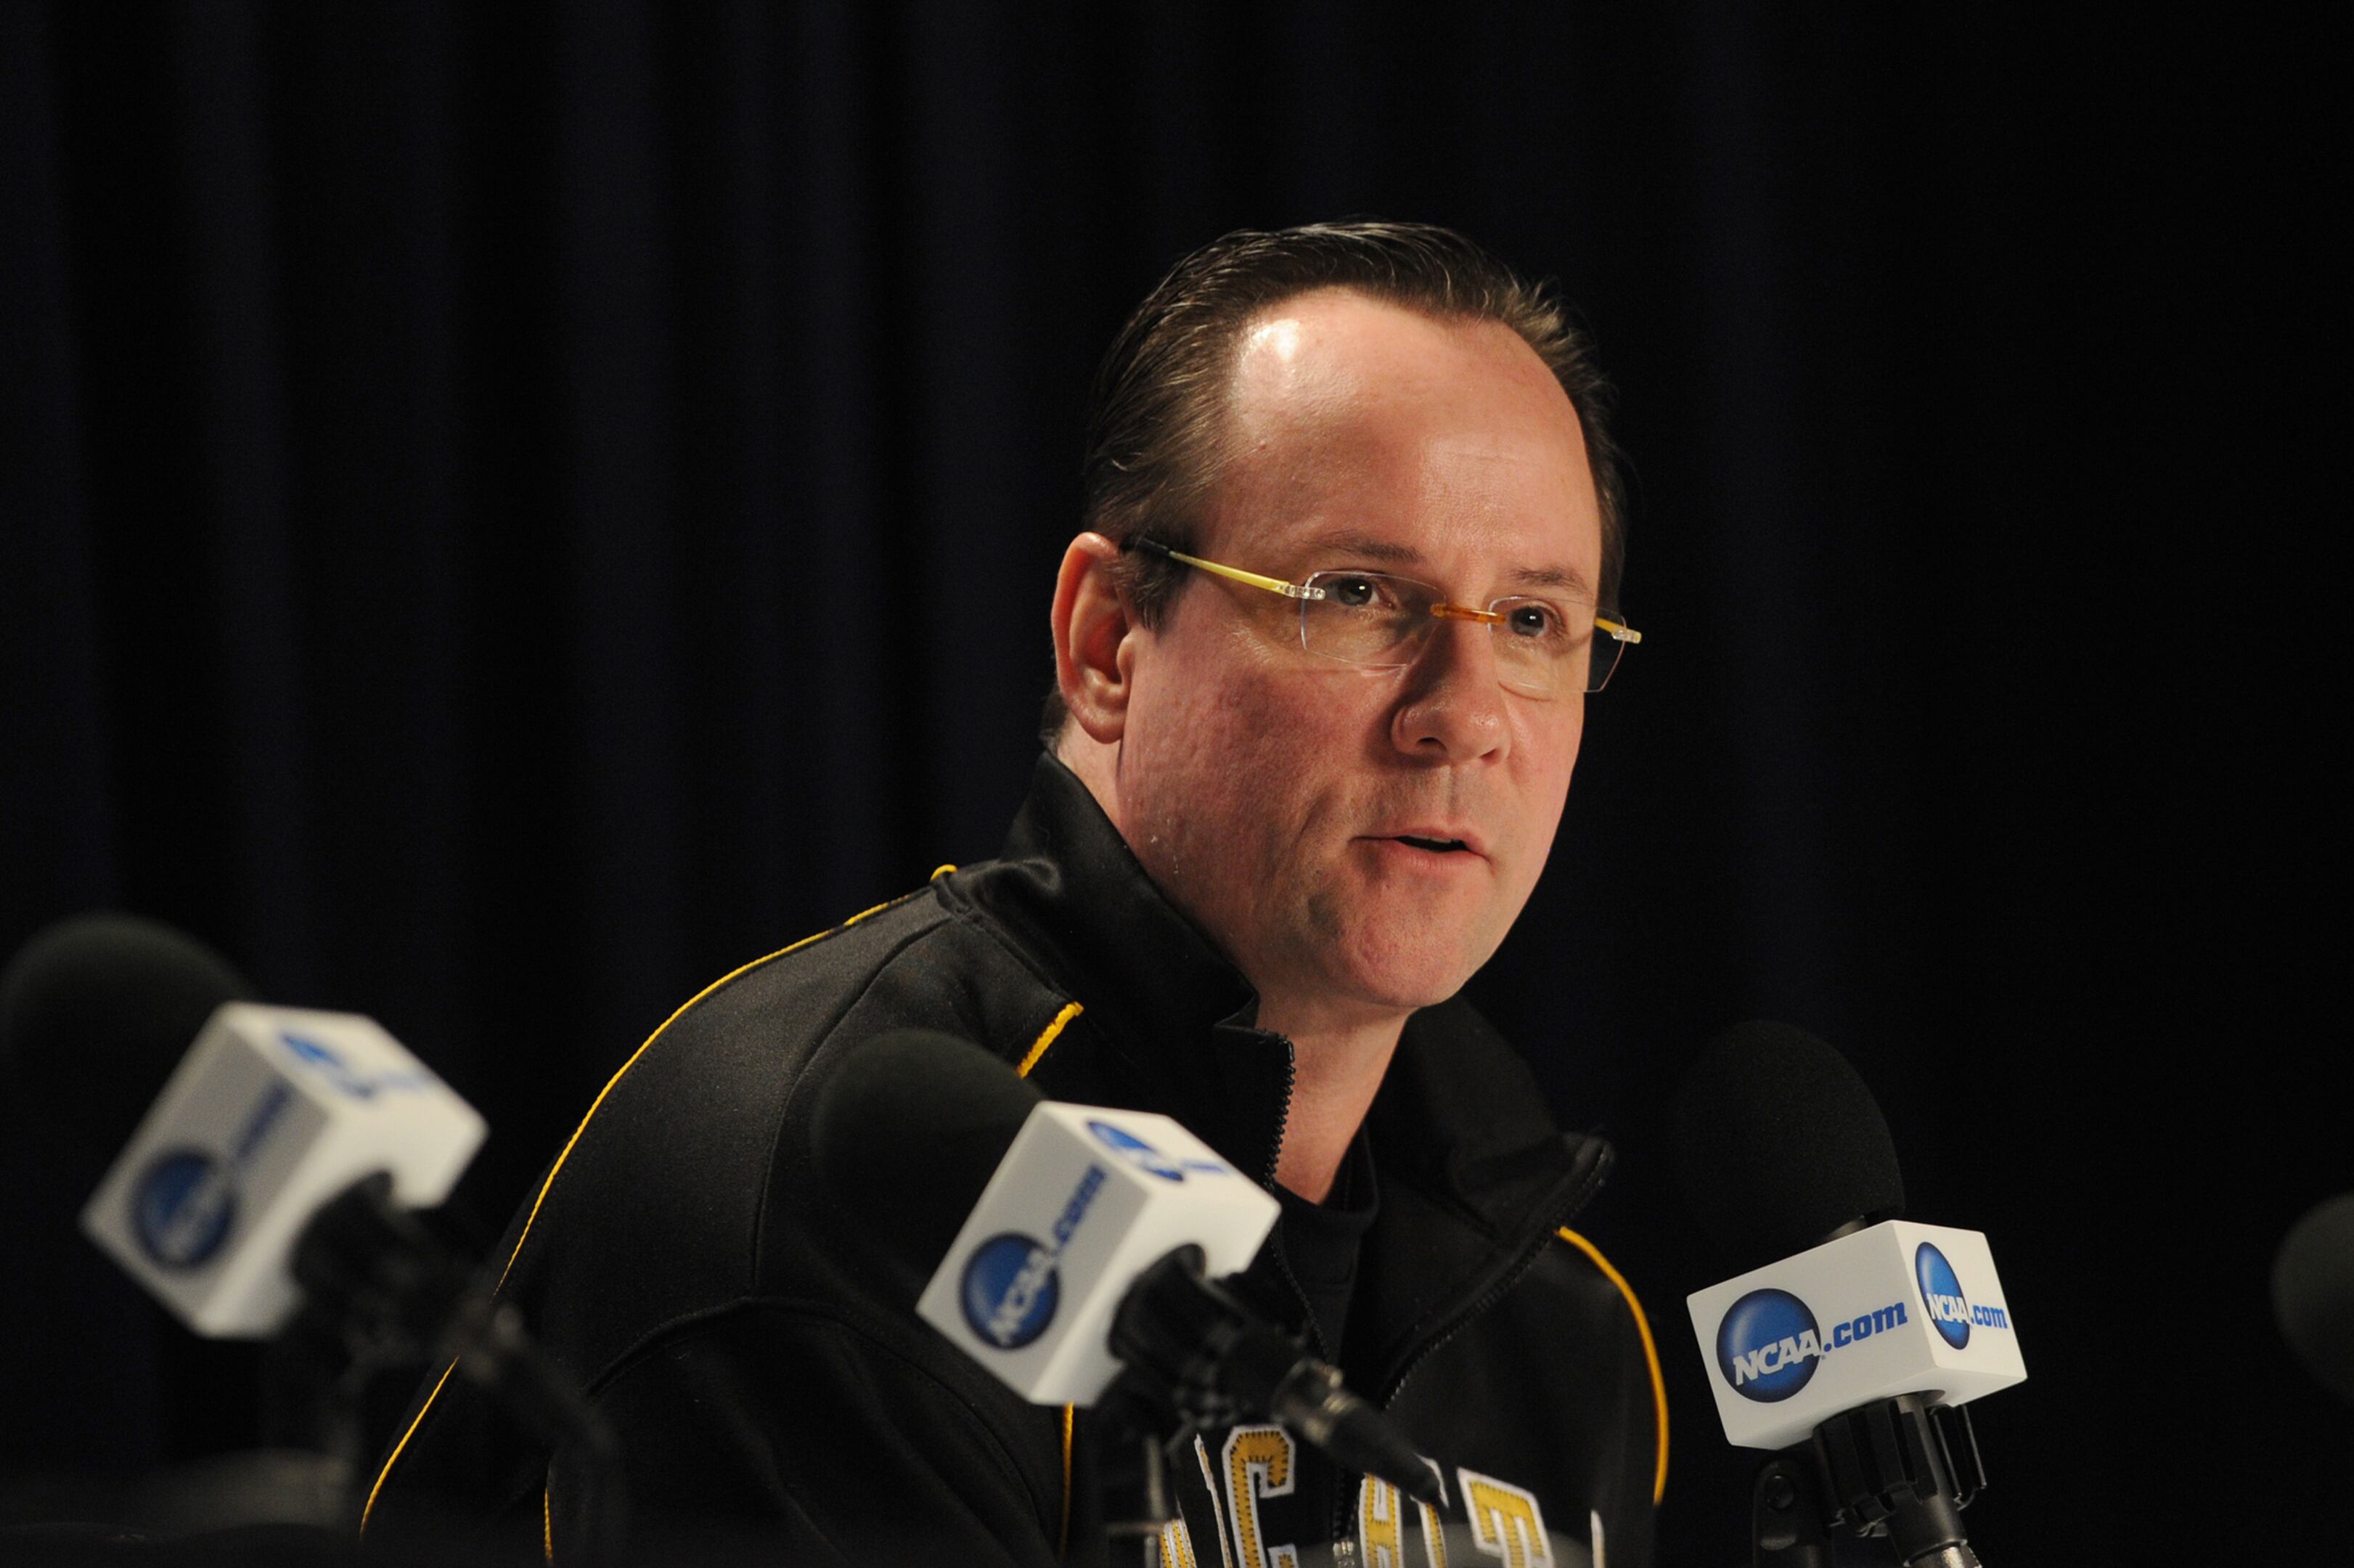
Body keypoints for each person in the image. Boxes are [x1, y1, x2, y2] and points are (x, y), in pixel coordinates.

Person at [361, 221, 1665, 1567]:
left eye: (1531, 623)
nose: (1465, 718)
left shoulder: (1561, 1324)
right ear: (1107, 644)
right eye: (1354, 594)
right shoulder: (827, 1201)